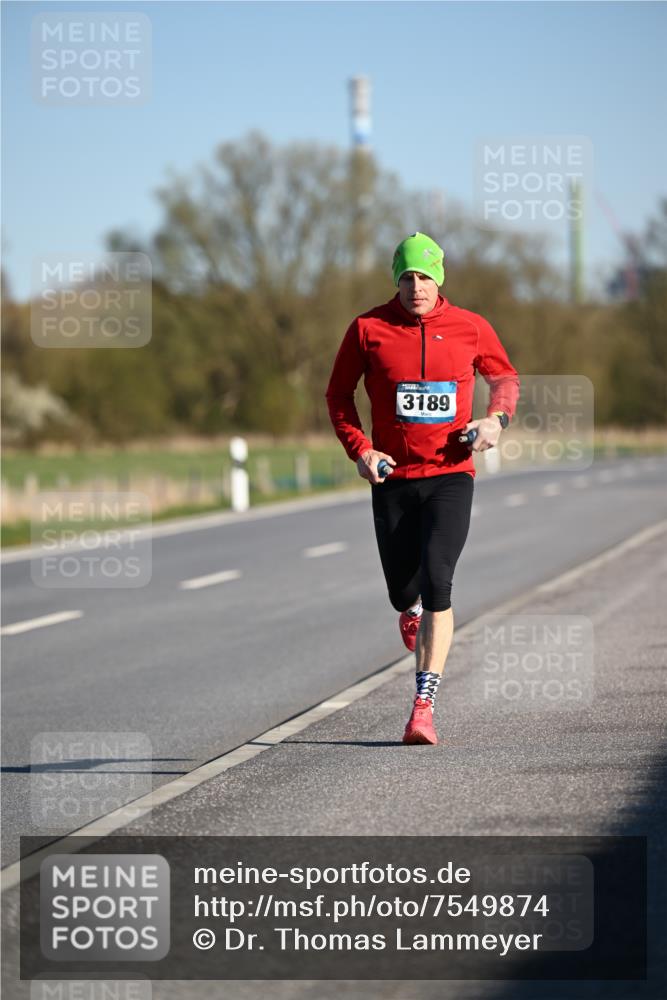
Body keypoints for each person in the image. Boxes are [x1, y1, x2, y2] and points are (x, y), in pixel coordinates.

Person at [325, 232, 520, 745]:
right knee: (402, 590)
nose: (416, 287)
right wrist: (361, 450)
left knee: (439, 581)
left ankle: (423, 706)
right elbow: (338, 395)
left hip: (451, 474)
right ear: (396, 279)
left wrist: (496, 419)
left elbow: (504, 379)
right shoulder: (368, 329)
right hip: (392, 478)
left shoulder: (470, 327)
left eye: (425, 277)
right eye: (407, 277)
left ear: (440, 280)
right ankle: (409, 612)